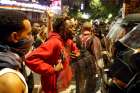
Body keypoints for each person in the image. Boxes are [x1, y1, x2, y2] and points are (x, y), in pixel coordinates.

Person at [0, 10, 33, 93]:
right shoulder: (10, 81)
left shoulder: (13, 60)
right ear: (14, 36)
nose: (31, 38)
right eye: (29, 34)